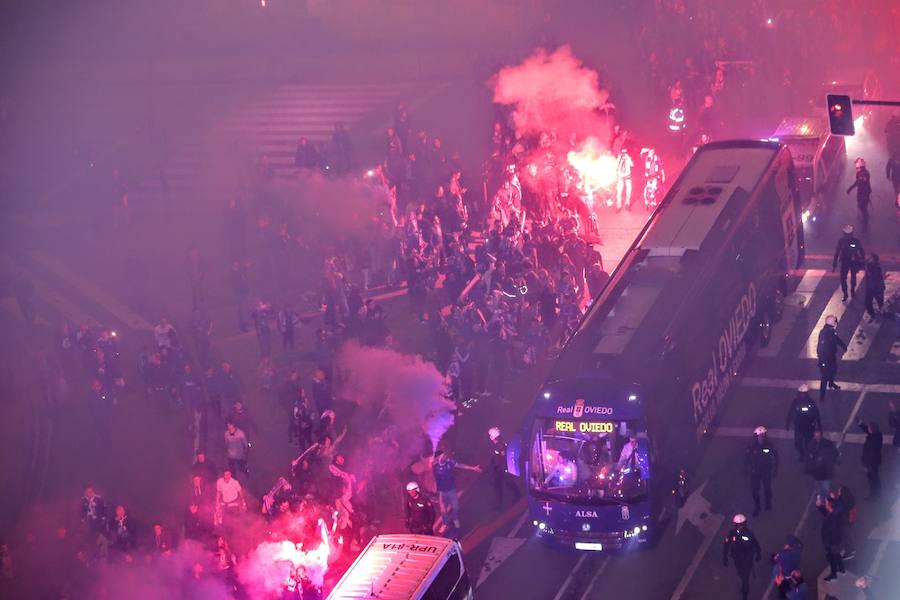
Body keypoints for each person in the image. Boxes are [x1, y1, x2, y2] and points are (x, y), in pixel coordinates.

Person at [432, 450, 481, 535]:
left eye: (444, 456)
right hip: (442, 490)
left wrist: (473, 468)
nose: (444, 457)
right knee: (443, 508)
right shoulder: (434, 466)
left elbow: (460, 465)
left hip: (451, 489)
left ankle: (455, 520)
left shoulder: (449, 462)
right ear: (437, 458)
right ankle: (445, 524)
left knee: (454, 507)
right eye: (442, 456)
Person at [722, 513, 761, 600]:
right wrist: (724, 557)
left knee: (745, 577)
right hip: (737, 559)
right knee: (741, 574)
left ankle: (745, 593)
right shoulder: (732, 533)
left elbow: (755, 543)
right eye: (738, 525)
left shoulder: (749, 533)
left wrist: (759, 553)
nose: (740, 526)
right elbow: (726, 544)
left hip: (747, 559)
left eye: (741, 524)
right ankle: (744, 585)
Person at [745, 426, 778, 516]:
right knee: (754, 491)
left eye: (763, 435)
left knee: (767, 489)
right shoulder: (751, 446)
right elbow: (746, 458)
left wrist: (775, 469)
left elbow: (775, 456)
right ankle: (757, 506)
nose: (761, 437)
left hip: (766, 471)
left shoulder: (769, 445)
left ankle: (768, 503)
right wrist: (746, 469)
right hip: (755, 472)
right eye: (759, 436)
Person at [486, 427, 521, 510]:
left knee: (506, 485)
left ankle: (516, 496)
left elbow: (498, 458)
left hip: (503, 469)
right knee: (500, 486)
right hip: (500, 469)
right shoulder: (499, 444)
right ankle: (500, 504)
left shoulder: (499, 446)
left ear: (492, 437)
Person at [784, 385, 821, 460]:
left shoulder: (811, 402)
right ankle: (802, 453)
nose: (802, 395)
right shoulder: (796, 402)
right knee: (797, 444)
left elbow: (816, 414)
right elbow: (791, 412)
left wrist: (819, 425)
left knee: (808, 444)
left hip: (809, 427)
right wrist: (787, 423)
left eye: (804, 393)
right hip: (799, 427)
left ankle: (807, 455)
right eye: (801, 393)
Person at [816, 315, 846, 402]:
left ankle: (831, 384)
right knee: (825, 377)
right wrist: (823, 361)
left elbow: (836, 338)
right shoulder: (825, 333)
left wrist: (843, 345)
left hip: (831, 357)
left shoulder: (830, 331)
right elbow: (821, 349)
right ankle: (822, 396)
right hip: (825, 359)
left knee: (833, 370)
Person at [832, 225, 865, 302]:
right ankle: (845, 293)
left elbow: (861, 251)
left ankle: (852, 290)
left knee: (853, 277)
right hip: (844, 261)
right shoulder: (841, 241)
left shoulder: (856, 241)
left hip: (853, 261)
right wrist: (834, 264)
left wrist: (862, 260)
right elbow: (837, 252)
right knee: (843, 278)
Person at [804, 429, 839, 503]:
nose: (816, 437)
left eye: (817, 435)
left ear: (821, 435)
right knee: (819, 489)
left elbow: (834, 453)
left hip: (825, 472)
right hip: (817, 473)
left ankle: (830, 501)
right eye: (815, 435)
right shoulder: (811, 444)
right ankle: (824, 502)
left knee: (825, 489)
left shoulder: (827, 444)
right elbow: (808, 454)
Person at [818, 491, 846, 581]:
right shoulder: (836, 514)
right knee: (836, 555)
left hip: (832, 543)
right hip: (835, 542)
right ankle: (842, 568)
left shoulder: (834, 518)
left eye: (828, 504)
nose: (826, 505)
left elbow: (828, 513)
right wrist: (820, 506)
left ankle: (833, 574)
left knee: (831, 558)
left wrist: (827, 544)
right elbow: (827, 512)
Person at [771, 535, 803, 599]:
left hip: (785, 575)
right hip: (793, 572)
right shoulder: (797, 552)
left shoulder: (784, 554)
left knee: (783, 590)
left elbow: (777, 559)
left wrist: (784, 551)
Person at [859, 420, 883, 499]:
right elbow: (867, 430)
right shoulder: (877, 435)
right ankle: (878, 493)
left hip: (871, 463)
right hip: (875, 462)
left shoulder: (873, 439)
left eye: (869, 427)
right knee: (875, 478)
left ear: (872, 429)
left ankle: (874, 495)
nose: (868, 428)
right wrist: (861, 423)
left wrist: (866, 465)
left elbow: (870, 454)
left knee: (872, 479)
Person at [846, 158, 872, 224]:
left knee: (862, 206)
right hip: (865, 191)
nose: (856, 168)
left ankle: (865, 217)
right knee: (862, 205)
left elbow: (857, 182)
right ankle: (865, 215)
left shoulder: (862, 174)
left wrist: (849, 189)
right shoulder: (864, 172)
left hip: (863, 192)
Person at [863, 254, 885, 321]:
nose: (869, 258)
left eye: (871, 258)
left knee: (880, 302)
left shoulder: (877, 268)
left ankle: (882, 312)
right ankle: (873, 315)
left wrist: (880, 289)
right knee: (867, 304)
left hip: (877, 289)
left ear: (874, 260)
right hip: (870, 289)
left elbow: (879, 280)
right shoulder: (868, 266)